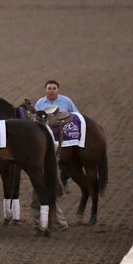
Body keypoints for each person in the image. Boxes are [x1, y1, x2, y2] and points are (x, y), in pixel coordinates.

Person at [31, 80, 75, 231]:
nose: (51, 90)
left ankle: (46, 223)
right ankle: (54, 222)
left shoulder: (40, 133)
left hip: (43, 167)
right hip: (48, 165)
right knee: (45, 194)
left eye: (53, 88)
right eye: (48, 88)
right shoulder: (48, 132)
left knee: (39, 195)